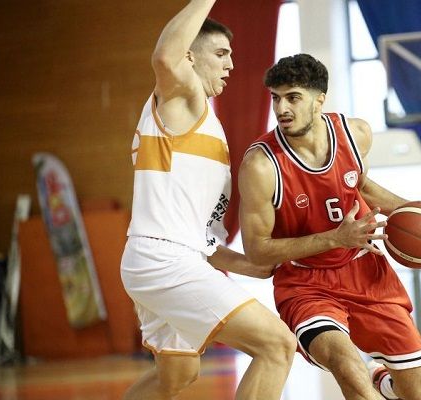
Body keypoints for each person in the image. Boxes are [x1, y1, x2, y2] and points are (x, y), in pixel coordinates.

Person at [238, 53, 421, 400]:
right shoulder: (261, 165)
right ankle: (367, 378)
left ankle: (383, 381)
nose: (282, 108)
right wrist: (335, 238)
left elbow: (360, 185)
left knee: (420, 393)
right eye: (276, 98)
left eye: (293, 97)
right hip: (306, 283)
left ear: (319, 100)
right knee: (348, 367)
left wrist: (419, 211)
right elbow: (257, 251)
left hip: (366, 272)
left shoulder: (355, 134)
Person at [120, 1, 296, 399]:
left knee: (177, 376)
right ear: (189, 57)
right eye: (220, 54)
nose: (230, 64)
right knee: (277, 346)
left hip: (161, 257)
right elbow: (164, 57)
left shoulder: (205, 128)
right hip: (165, 260)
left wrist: (252, 266)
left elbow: (206, 242)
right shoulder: (183, 100)